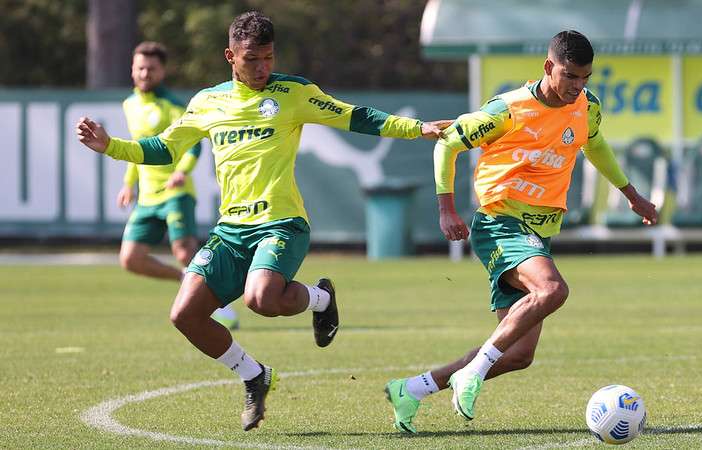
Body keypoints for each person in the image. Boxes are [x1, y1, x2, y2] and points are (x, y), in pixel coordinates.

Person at [76, 11, 448, 431]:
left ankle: (321, 299)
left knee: (261, 299)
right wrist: (111, 146)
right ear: (230, 56)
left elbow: (356, 116)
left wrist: (418, 129)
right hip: (230, 230)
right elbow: (164, 149)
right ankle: (254, 375)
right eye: (252, 59)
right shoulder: (207, 102)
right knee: (185, 315)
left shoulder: (293, 92)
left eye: (269, 57)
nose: (262, 68)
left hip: (281, 223)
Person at [384, 30, 659, 433]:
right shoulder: (507, 110)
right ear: (549, 67)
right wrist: (446, 208)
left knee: (517, 353)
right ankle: (470, 373)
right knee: (552, 291)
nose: (578, 87)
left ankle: (412, 389)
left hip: (538, 232)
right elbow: (446, 144)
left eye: (585, 78)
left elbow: (593, 143)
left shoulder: (587, 106)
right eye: (570, 76)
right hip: (500, 222)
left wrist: (631, 194)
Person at [117, 41, 239, 330]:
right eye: (140, 68)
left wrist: (182, 172)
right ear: (133, 70)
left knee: (185, 251)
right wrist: (128, 184)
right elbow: (138, 150)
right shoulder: (129, 105)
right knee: (131, 259)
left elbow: (194, 146)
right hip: (147, 198)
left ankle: (223, 305)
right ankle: (185, 279)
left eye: (151, 68)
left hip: (176, 193)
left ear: (163, 71)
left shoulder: (173, 106)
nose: (145, 74)